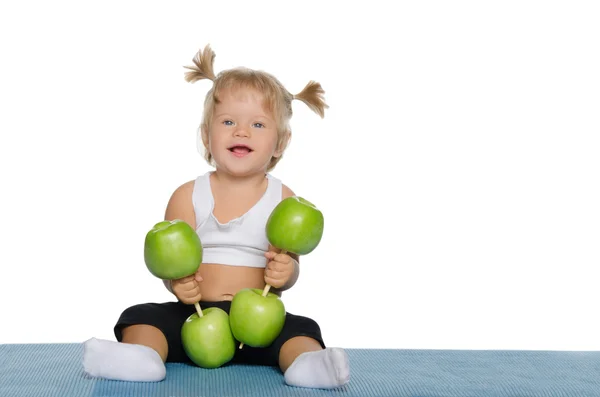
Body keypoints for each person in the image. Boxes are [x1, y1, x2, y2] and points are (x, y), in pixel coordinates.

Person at [82, 44, 350, 390]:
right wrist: (177, 285)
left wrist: (287, 273)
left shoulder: (284, 199)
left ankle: (307, 364)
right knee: (141, 316)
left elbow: (291, 262)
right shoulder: (187, 195)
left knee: (301, 329)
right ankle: (141, 356)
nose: (241, 131)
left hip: (259, 324)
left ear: (280, 143)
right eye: (228, 122)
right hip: (195, 315)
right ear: (207, 136)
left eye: (257, 124)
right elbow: (172, 265)